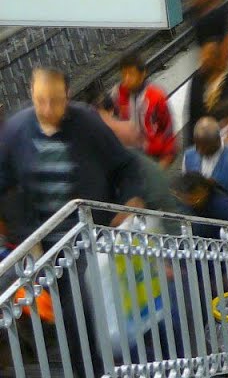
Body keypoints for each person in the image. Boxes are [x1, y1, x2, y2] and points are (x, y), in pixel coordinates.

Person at [0, 69, 144, 375]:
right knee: (65, 318)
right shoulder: (16, 131)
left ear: (67, 96)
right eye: (40, 101)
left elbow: (126, 166)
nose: (48, 110)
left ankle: (98, 367)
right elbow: (3, 182)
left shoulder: (88, 125)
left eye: (55, 101)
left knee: (84, 316)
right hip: (44, 247)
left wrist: (130, 200)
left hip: (87, 241)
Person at [103, 52, 177, 167]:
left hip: (152, 159)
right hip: (126, 159)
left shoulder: (156, 96)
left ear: (143, 74)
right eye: (124, 74)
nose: (126, 79)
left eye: (131, 74)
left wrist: (165, 161)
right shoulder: (116, 94)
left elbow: (167, 130)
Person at [170, 173, 228, 239]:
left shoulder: (223, 207)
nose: (192, 200)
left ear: (205, 190)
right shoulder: (186, 206)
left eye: (195, 195)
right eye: (188, 198)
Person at [187, 40, 226, 144]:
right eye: (203, 56)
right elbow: (192, 115)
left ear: (217, 59)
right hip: (200, 142)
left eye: (209, 56)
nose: (204, 59)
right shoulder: (196, 80)